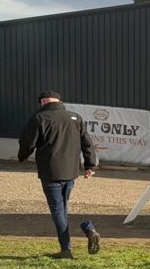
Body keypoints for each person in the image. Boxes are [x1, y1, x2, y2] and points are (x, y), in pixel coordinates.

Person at [18, 91, 102, 259]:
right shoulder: (75, 118)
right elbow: (87, 143)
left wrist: (22, 156)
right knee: (63, 207)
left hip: (50, 171)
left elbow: (28, 142)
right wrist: (90, 165)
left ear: (43, 102)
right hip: (70, 172)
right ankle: (87, 228)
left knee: (58, 210)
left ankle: (67, 249)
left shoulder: (40, 118)